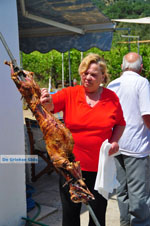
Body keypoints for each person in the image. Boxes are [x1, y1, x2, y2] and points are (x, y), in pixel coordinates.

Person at [40, 53, 126, 226]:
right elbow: (50, 106)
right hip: (71, 168)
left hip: (99, 168)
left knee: (98, 213)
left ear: (103, 76)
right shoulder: (70, 93)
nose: (88, 77)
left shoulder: (111, 98)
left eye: (93, 74)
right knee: (71, 215)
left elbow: (120, 123)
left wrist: (115, 141)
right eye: (85, 73)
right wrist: (46, 100)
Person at [107, 52, 150, 226]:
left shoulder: (112, 84)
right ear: (141, 68)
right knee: (139, 193)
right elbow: (147, 114)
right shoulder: (142, 82)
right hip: (136, 146)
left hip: (116, 144)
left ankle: (125, 223)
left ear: (122, 67)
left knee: (122, 191)